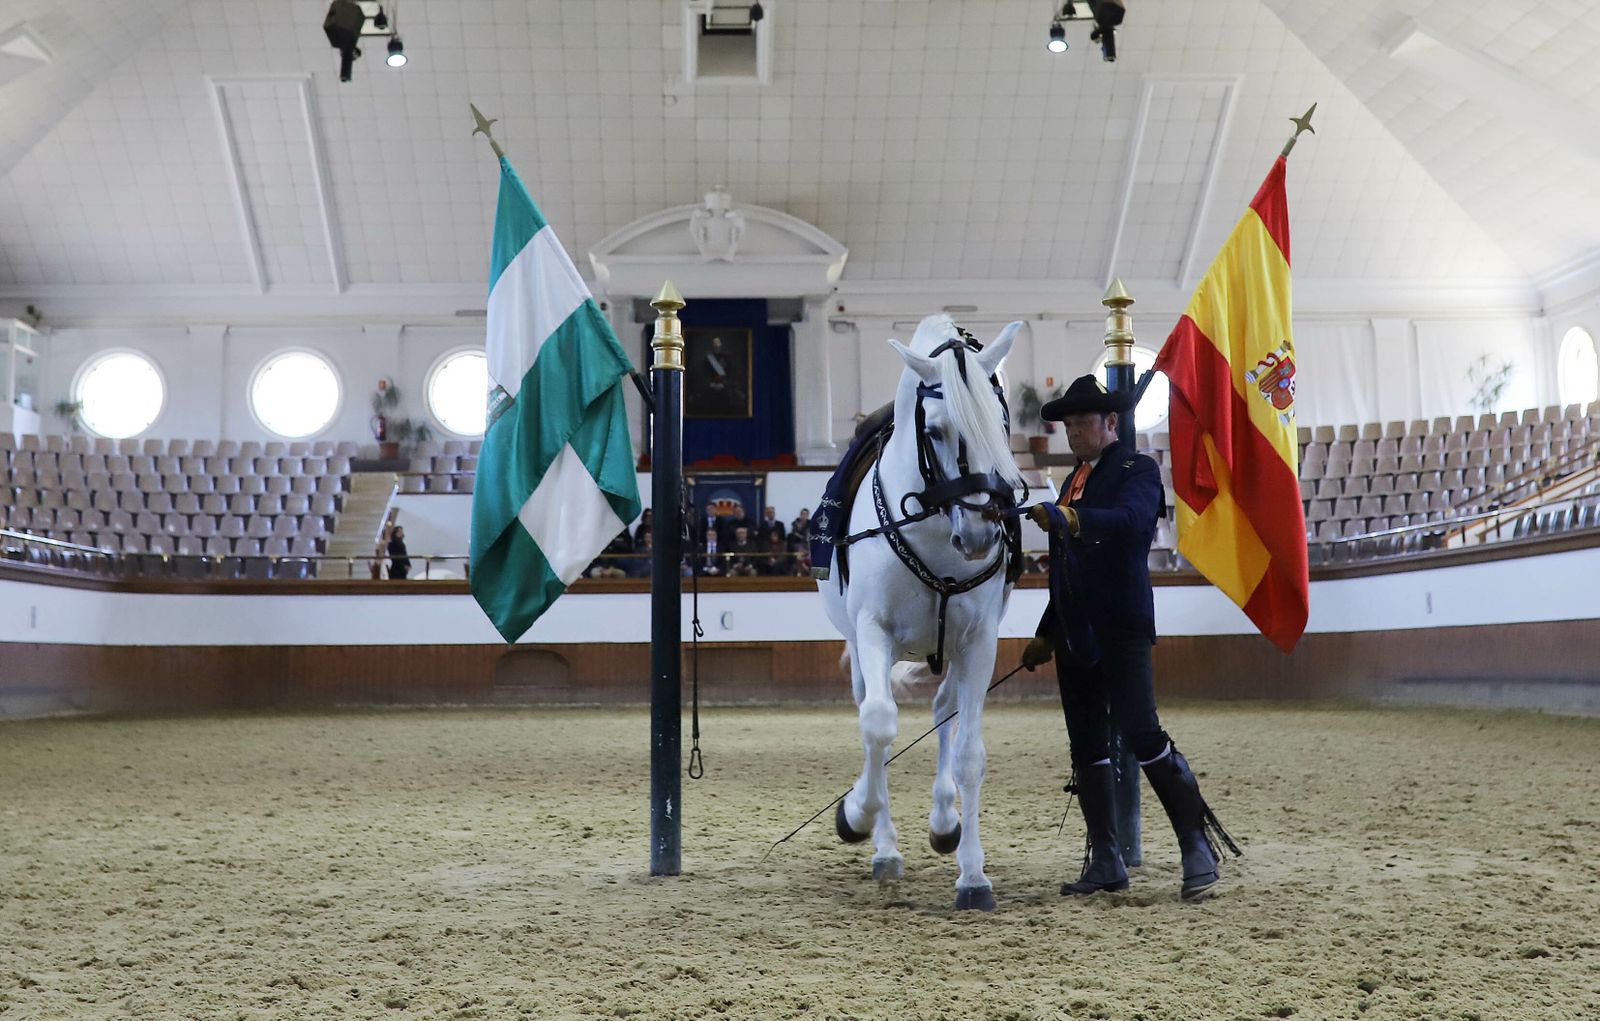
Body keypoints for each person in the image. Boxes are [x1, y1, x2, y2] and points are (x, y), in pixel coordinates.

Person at [1021, 374, 1236, 900]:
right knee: (1087, 745)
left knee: (1143, 732)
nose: (1072, 432)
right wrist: (1046, 633)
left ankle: (1195, 845)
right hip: (1074, 633)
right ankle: (1106, 858)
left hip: (1121, 627)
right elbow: (1068, 571)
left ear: (1110, 422)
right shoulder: (1076, 478)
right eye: (1067, 424)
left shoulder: (1137, 469)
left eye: (1081, 422)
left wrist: (1071, 519)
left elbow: (1133, 522)